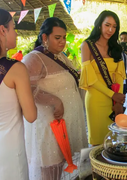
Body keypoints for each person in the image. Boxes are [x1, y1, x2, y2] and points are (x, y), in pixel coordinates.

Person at [22, 17, 88, 180]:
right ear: (44, 37)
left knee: (64, 164)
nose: (62, 42)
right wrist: (55, 101)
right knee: (51, 168)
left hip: (67, 121)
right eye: (57, 38)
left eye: (64, 38)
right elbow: (27, 89)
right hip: (50, 124)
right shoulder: (34, 58)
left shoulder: (60, 56)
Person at [0, 8, 37, 180]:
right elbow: (31, 115)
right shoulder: (15, 69)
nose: (15, 33)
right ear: (2, 30)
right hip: (8, 149)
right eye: (13, 27)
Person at [80, 10, 126, 146]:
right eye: (107, 25)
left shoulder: (116, 48)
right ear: (99, 25)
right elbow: (91, 79)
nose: (110, 29)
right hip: (96, 99)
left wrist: (118, 101)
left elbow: (119, 76)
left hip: (114, 102)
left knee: (114, 142)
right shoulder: (87, 45)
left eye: (114, 26)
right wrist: (113, 95)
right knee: (98, 143)